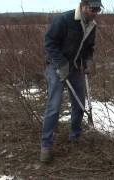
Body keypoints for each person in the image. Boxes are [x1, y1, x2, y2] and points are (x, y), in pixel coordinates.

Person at [40, 0, 102, 163]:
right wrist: (61, 64)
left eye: (98, 10)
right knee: (54, 105)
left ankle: (75, 136)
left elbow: (89, 47)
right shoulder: (63, 20)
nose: (95, 12)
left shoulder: (92, 25)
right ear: (83, 6)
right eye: (92, 9)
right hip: (56, 66)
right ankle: (46, 145)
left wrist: (88, 61)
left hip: (74, 67)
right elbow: (49, 42)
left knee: (80, 103)